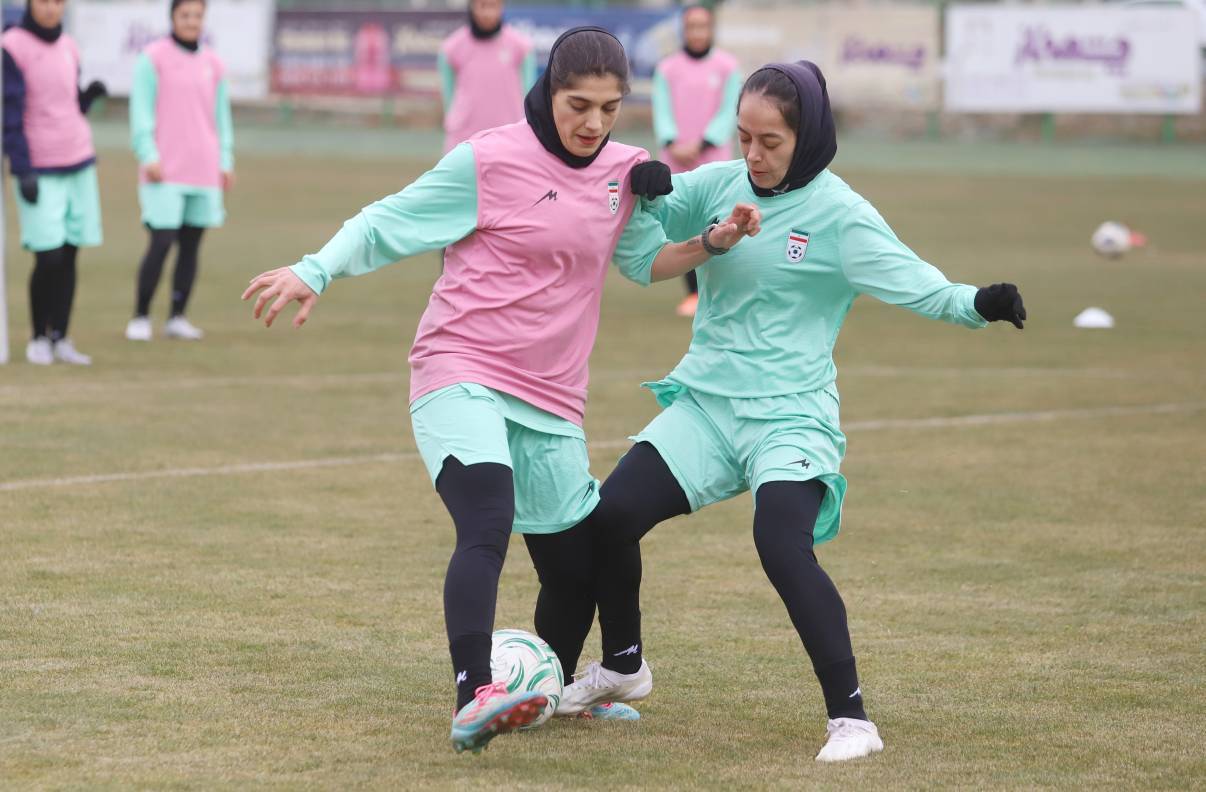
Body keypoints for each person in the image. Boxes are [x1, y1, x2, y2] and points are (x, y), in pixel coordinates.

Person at [242, 27, 759, 754]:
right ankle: (474, 695)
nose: (593, 123)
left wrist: (711, 243)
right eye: (579, 105)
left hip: (552, 397)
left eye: (610, 109)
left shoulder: (626, 171)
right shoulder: (487, 159)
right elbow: (388, 219)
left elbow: (643, 264)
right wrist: (315, 269)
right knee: (486, 517)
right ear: (548, 91)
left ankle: (547, 691)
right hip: (461, 367)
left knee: (574, 569)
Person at [540, 61, 1028, 763]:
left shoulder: (841, 215)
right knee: (609, 518)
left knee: (780, 542)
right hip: (707, 408)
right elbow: (640, 232)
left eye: (770, 141)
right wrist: (644, 188)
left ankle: (853, 721)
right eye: (744, 137)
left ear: (809, 137)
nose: (753, 155)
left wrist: (978, 303)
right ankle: (622, 665)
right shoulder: (719, 184)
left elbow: (918, 283)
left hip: (791, 415)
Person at [2, 0, 106, 365]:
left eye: (58, 2)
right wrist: (22, 168)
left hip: (78, 158)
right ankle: (38, 338)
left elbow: (68, 102)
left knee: (71, 252)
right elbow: (10, 113)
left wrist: (87, 97)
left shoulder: (69, 45)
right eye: (44, 1)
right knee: (48, 255)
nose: (51, 8)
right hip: (39, 165)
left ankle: (61, 336)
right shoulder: (12, 46)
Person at [126, 0, 233, 343]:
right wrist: (148, 154)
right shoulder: (153, 58)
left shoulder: (213, 64)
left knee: (191, 245)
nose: (191, 21)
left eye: (197, 16)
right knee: (162, 241)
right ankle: (140, 316)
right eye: (185, 15)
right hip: (165, 168)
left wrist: (225, 161)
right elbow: (141, 111)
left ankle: (177, 316)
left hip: (203, 168)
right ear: (172, 17)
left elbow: (221, 118)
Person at [651, 4, 741, 319]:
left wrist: (703, 143)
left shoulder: (727, 66)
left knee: (718, 224)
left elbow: (729, 110)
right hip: (676, 159)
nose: (697, 33)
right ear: (683, 30)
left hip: (713, 159)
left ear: (711, 29)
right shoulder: (668, 68)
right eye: (692, 26)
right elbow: (662, 109)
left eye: (703, 26)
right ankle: (693, 294)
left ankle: (719, 291)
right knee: (683, 228)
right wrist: (673, 142)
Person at [437, 0, 536, 154]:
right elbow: (448, 94)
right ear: (472, 7)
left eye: (493, 6)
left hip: (507, 138)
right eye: (483, 5)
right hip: (464, 139)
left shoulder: (521, 46)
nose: (488, 13)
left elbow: (529, 91)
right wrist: (454, 121)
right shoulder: (452, 47)